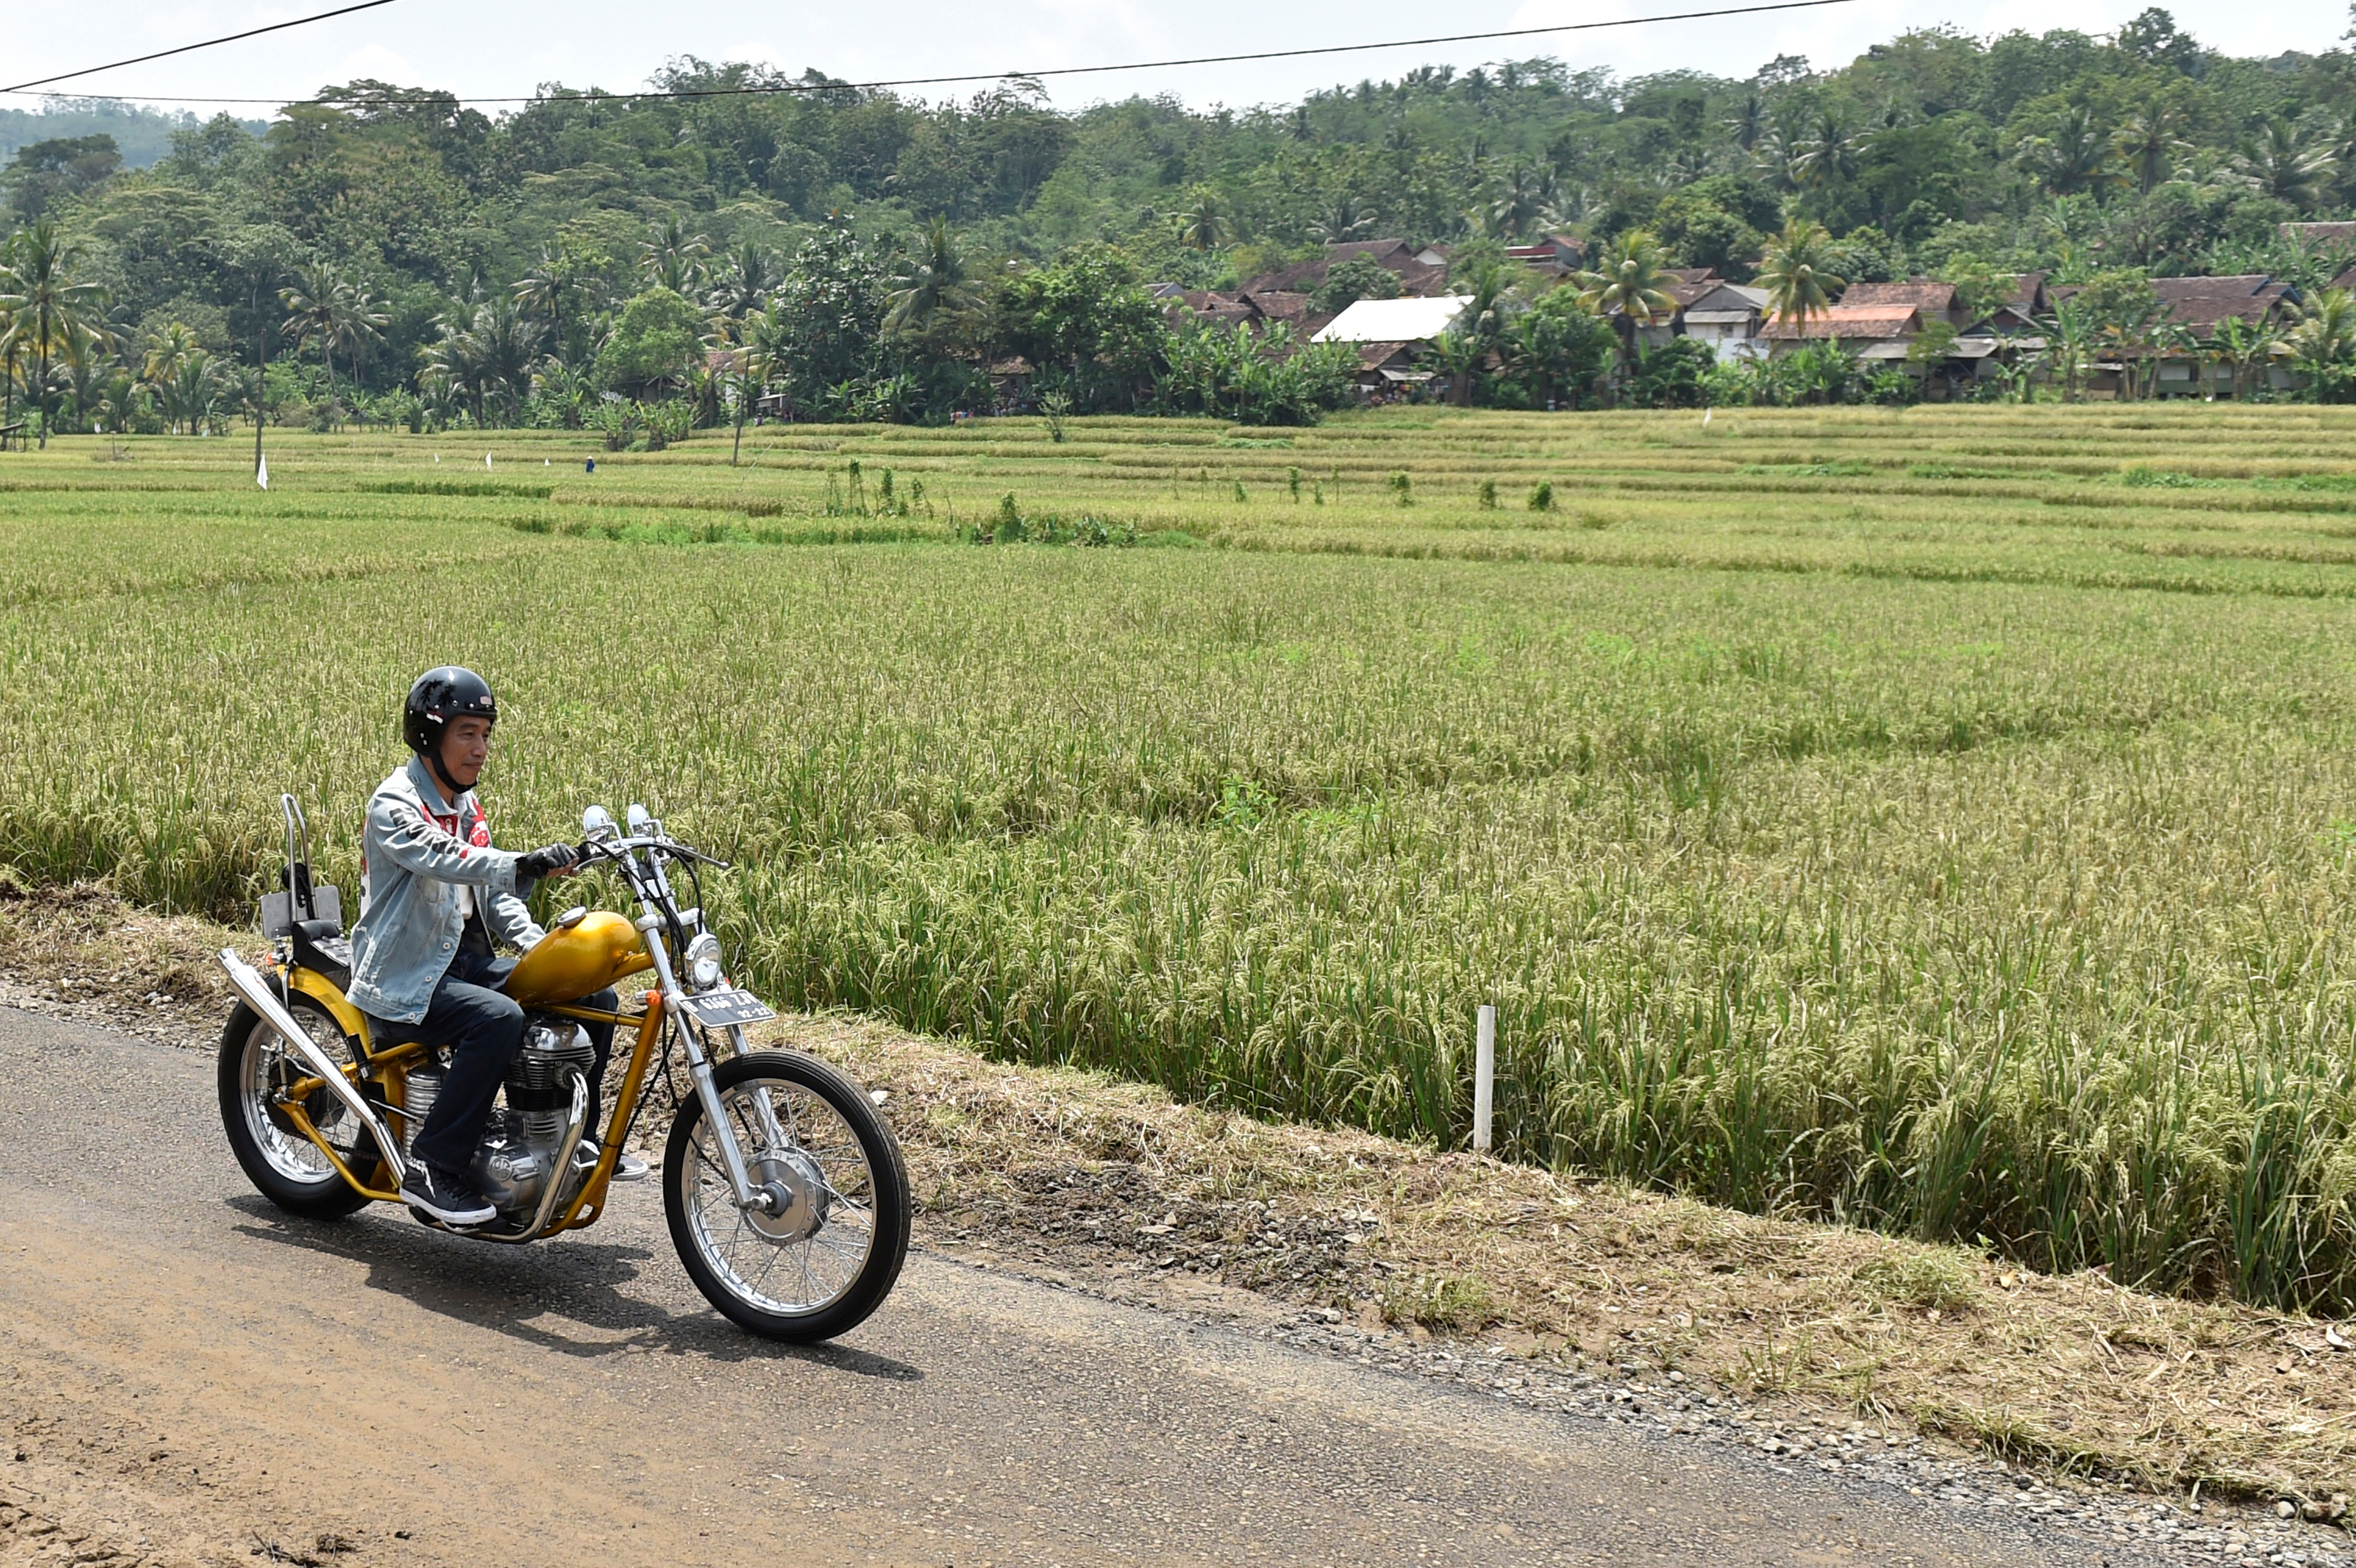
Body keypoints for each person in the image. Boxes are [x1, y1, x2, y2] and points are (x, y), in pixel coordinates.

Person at [347, 667, 641, 1226]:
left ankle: (577, 1140)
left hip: (466, 965)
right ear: (430, 737)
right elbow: (447, 858)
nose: (480, 749)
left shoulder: (465, 806)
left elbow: (494, 896)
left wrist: (543, 951)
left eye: (486, 734)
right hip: (408, 975)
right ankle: (434, 1166)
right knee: (497, 1019)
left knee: (593, 998)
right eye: (467, 733)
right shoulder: (395, 804)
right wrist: (521, 862)